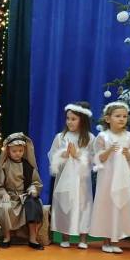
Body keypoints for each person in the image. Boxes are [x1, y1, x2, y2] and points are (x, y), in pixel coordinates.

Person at [89, 102, 130, 253]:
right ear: (108, 118)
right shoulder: (103, 136)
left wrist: (129, 155)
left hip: (122, 178)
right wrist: (109, 150)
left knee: (120, 205)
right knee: (107, 205)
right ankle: (106, 241)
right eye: (118, 116)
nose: (122, 119)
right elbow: (97, 158)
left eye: (124, 116)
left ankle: (115, 240)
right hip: (107, 178)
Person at [48, 102, 95, 249]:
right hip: (65, 178)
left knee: (83, 205)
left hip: (82, 180)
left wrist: (77, 154)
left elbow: (93, 158)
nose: (69, 122)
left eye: (73, 119)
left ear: (83, 120)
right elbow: (52, 155)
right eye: (68, 118)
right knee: (65, 205)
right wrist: (64, 155)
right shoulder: (61, 137)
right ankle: (65, 236)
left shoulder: (90, 138)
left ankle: (83, 238)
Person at [0, 132, 45, 250]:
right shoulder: (4, 166)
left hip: (24, 197)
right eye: (14, 151)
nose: (18, 153)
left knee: (33, 204)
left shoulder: (28, 166)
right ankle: (7, 237)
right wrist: (3, 194)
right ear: (8, 151)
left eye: (20, 151)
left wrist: (33, 188)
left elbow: (36, 182)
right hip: (10, 197)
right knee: (5, 207)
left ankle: (32, 238)